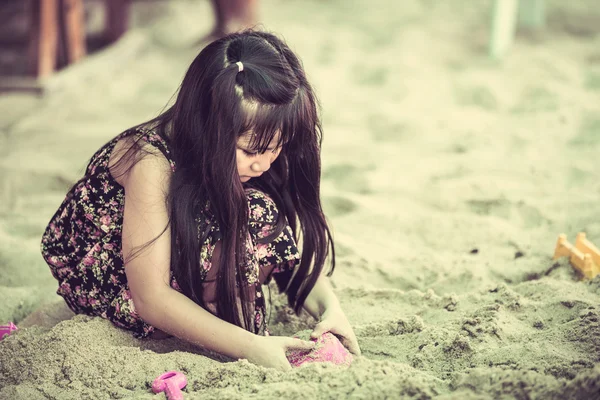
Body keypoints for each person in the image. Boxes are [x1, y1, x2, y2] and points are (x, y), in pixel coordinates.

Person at [40, 29, 360, 370]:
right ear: (210, 128)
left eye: (275, 148)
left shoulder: (255, 146)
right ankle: (202, 318)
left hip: (182, 248)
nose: (264, 162)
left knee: (259, 212)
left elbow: (282, 246)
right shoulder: (150, 163)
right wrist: (251, 347)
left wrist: (331, 310)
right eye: (252, 150)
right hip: (117, 276)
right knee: (248, 215)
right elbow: (150, 297)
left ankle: (211, 312)